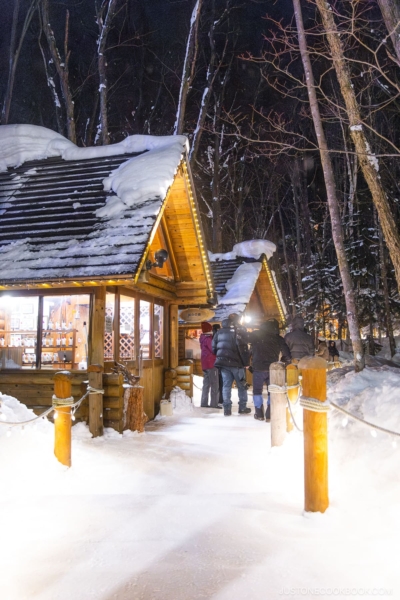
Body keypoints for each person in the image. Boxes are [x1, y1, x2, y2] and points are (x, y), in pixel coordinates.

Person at [248, 319, 291, 422]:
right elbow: (287, 354)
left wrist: (248, 363)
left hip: (258, 367)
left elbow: (249, 351)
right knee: (272, 391)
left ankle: (259, 413)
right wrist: (283, 360)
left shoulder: (256, 336)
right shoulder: (278, 339)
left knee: (257, 391)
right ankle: (269, 414)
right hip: (273, 368)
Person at [212, 314, 251, 416]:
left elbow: (213, 347)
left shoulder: (218, 332)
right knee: (241, 385)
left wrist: (221, 355)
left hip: (224, 364)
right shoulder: (237, 331)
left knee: (226, 386)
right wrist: (246, 362)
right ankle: (242, 407)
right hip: (237, 364)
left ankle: (227, 409)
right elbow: (242, 348)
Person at [199, 322, 220, 408]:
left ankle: (204, 403)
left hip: (205, 363)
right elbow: (213, 349)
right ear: (208, 330)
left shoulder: (202, 338)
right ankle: (214, 404)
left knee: (206, 384)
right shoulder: (208, 339)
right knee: (215, 384)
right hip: (212, 363)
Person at [212, 323, 223, 407]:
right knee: (221, 382)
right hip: (220, 361)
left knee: (216, 383)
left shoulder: (211, 337)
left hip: (213, 362)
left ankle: (217, 400)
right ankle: (220, 399)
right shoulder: (219, 336)